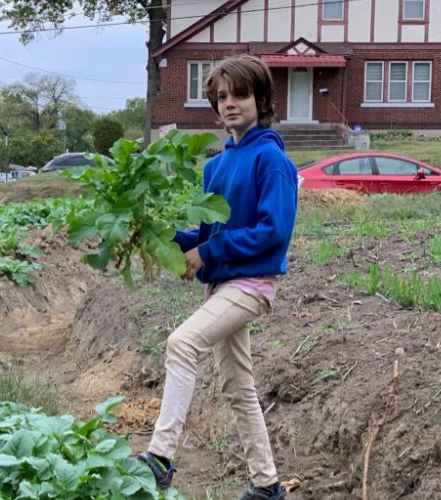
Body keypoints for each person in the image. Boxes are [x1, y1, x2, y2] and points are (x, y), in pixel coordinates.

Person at [137, 54, 298, 500]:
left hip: (252, 285)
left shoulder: (271, 159)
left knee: (181, 343)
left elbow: (274, 231)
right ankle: (266, 485)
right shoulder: (216, 166)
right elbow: (207, 233)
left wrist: (207, 251)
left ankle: (161, 456)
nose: (230, 104)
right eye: (221, 96)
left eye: (240, 94)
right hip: (221, 286)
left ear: (261, 98)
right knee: (238, 387)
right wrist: (163, 235)